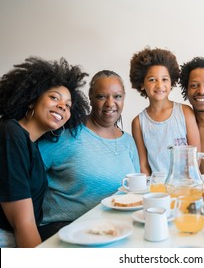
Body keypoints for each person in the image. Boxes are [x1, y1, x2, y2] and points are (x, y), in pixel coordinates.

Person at [38, 70, 140, 240]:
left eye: (117, 96)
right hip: (64, 228)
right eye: (101, 96)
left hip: (112, 228)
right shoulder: (66, 133)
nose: (110, 103)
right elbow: (21, 173)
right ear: (91, 98)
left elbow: (133, 191)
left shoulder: (128, 142)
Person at [0, 56, 89, 247]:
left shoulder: (32, 145)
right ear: (32, 100)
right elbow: (22, 224)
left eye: (68, 105)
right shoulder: (11, 133)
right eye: (54, 97)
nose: (62, 106)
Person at [130, 47, 200, 175]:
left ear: (171, 82)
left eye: (164, 79)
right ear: (141, 84)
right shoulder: (138, 123)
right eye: (152, 80)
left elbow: (196, 157)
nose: (159, 85)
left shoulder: (185, 112)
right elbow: (143, 165)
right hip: (157, 189)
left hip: (185, 185)